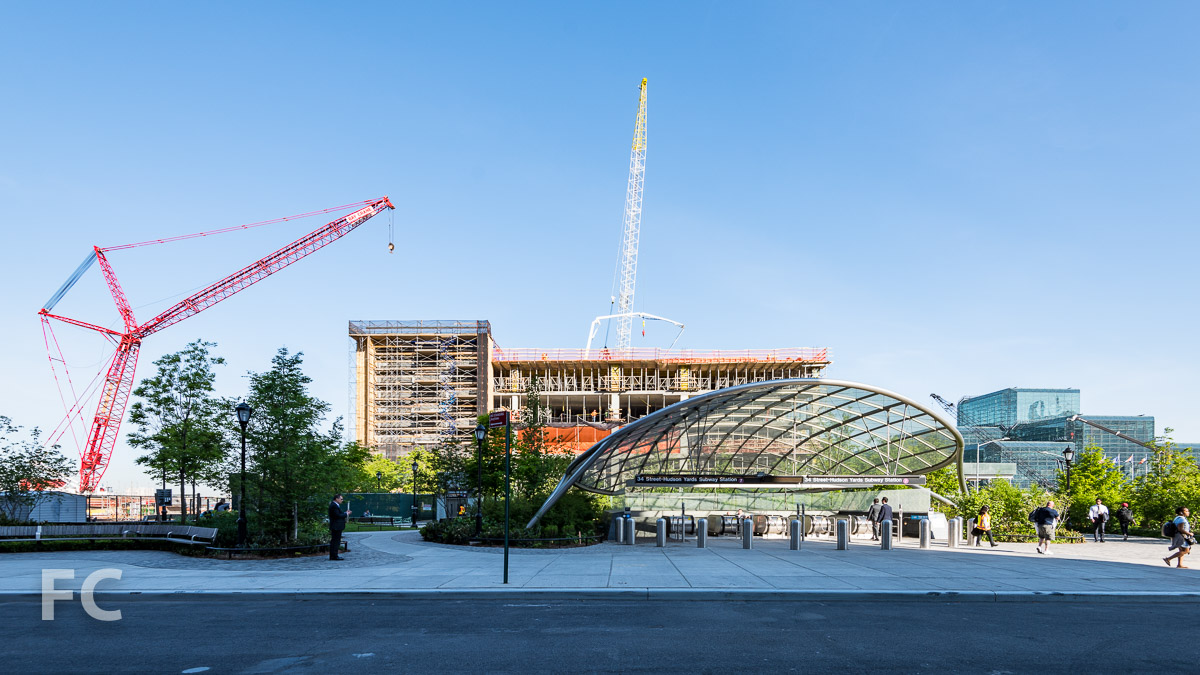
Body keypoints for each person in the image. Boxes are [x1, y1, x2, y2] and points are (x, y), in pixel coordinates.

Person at [328, 493, 350, 561]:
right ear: (336, 499)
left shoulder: (335, 505)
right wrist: (346, 514)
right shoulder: (334, 506)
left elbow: (338, 514)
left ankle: (334, 555)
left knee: (335, 541)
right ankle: (334, 556)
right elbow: (337, 516)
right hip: (336, 526)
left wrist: (344, 513)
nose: (342, 500)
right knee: (335, 541)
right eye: (341, 499)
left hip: (337, 526)